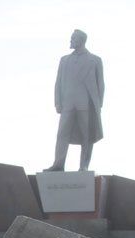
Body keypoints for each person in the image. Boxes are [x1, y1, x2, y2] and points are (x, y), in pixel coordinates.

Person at [45, 29, 105, 172]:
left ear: (81, 40)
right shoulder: (64, 60)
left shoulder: (95, 60)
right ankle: (58, 164)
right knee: (62, 134)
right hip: (67, 104)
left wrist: (98, 105)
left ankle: (83, 166)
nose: (70, 41)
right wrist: (58, 102)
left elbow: (100, 84)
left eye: (73, 38)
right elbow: (58, 82)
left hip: (86, 104)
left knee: (87, 135)